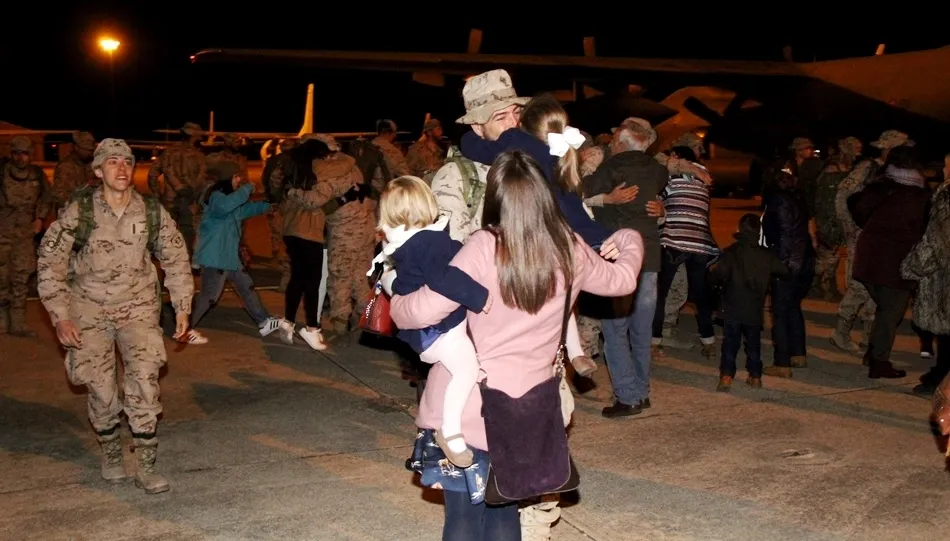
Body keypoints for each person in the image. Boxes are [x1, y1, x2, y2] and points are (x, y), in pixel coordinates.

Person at [391, 151, 644, 541]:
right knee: (506, 513)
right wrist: (627, 237)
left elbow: (420, 312)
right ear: (545, 197)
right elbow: (624, 280)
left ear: (496, 199)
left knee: (462, 518)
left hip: (470, 405)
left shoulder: (482, 246)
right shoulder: (569, 248)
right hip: (530, 409)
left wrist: (394, 297)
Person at [36, 139, 194, 494]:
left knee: (144, 381)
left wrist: (182, 304)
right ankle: (111, 453)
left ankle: (146, 465)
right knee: (101, 388)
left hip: (137, 308)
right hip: (88, 309)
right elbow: (50, 262)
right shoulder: (80, 212)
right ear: (97, 171)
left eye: (127, 162)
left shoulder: (151, 211)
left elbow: (175, 257)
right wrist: (60, 316)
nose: (121, 169)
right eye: (112, 163)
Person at [370, 176, 491, 467]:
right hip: (441, 330)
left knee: (466, 370)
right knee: (466, 371)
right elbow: (443, 279)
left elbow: (403, 282)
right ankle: (451, 433)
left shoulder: (404, 242)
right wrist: (482, 298)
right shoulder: (430, 241)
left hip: (423, 334)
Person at [185, 161, 282, 343]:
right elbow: (225, 207)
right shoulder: (216, 196)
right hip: (216, 257)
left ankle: (264, 322)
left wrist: (267, 205)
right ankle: (185, 328)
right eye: (237, 177)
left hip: (229, 257)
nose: (239, 181)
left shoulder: (228, 199)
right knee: (209, 296)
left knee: (246, 287)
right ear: (229, 178)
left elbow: (243, 210)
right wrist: (247, 190)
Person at [709, 214, 791, 391]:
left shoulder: (731, 252)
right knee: (753, 344)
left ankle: (726, 377)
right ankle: (755, 376)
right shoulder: (766, 255)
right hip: (754, 308)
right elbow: (785, 271)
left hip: (732, 306)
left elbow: (718, 275)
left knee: (730, 343)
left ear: (739, 230)